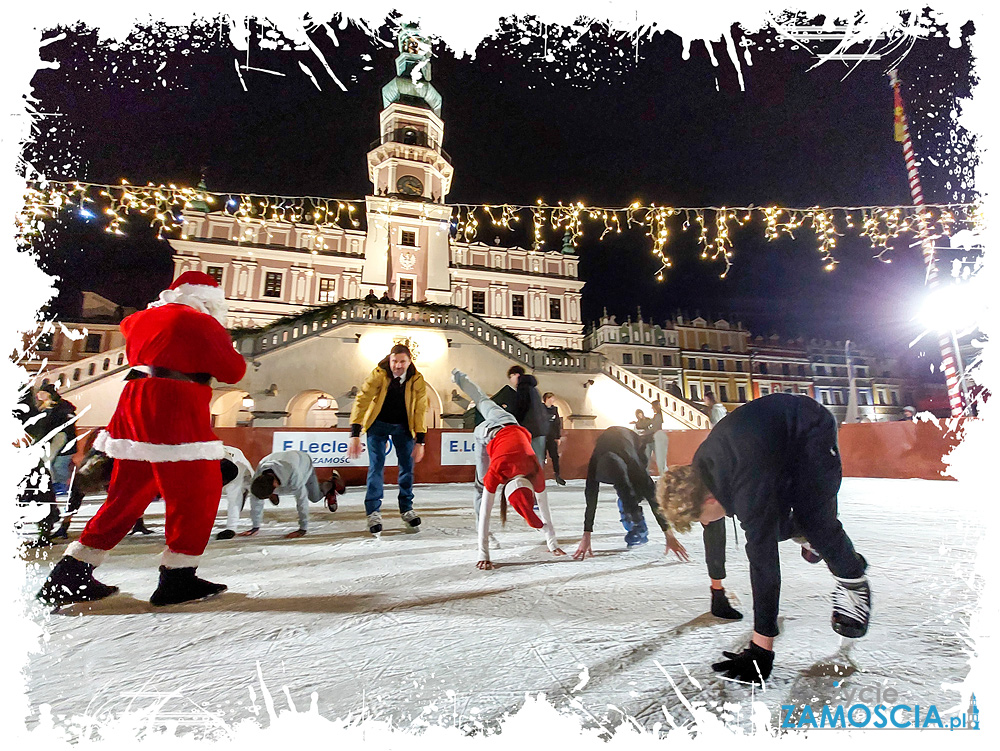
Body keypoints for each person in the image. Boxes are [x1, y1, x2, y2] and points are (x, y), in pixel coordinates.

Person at [37, 271, 247, 608]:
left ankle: (70, 574)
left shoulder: (141, 319)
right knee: (199, 492)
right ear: (210, 301)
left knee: (127, 495)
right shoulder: (202, 323)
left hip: (133, 405)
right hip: (175, 407)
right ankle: (178, 578)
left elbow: (128, 329)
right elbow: (233, 371)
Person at [657, 393, 870, 686]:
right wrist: (716, 585)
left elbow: (763, 564)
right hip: (774, 443)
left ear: (708, 498)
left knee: (816, 522)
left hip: (811, 427)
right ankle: (811, 539)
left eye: (700, 517)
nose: (705, 523)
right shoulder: (702, 471)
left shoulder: (745, 486)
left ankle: (853, 578)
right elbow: (730, 529)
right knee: (772, 524)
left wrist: (761, 647)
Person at [452, 370, 564, 568]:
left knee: (480, 398)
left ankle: (459, 377)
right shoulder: (500, 470)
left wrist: (551, 541)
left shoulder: (535, 471)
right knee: (481, 486)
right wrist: (483, 555)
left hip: (505, 420)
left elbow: (543, 512)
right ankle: (459, 378)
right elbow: (488, 513)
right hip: (485, 434)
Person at [572, 426, 689, 559]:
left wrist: (669, 534)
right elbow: (591, 500)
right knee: (624, 491)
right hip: (614, 449)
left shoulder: (635, 466)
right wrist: (586, 534)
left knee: (637, 491)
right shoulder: (595, 465)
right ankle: (631, 518)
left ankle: (639, 527)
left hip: (635, 446)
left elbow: (653, 498)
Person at [348, 344, 428, 535]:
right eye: (394, 361)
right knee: (376, 466)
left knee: (407, 468)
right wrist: (355, 434)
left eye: (402, 362)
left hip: (403, 426)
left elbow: (420, 409)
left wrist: (420, 441)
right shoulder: (379, 374)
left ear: (409, 362)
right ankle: (373, 511)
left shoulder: (417, 380)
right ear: (389, 360)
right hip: (378, 424)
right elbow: (363, 400)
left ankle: (407, 508)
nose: (397, 366)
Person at [240, 450, 341, 538]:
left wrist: (303, 528)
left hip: (303, 463)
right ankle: (273, 493)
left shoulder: (294, 475)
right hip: (281, 462)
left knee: (314, 497)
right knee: (261, 494)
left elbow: (302, 501)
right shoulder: (259, 475)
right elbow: (255, 500)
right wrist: (255, 526)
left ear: (275, 485)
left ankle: (331, 484)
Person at [34, 384, 79, 497]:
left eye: (42, 392)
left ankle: (62, 485)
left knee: (60, 465)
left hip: (63, 441)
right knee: (49, 464)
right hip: (49, 442)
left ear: (49, 394)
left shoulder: (63, 407)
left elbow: (68, 422)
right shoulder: (43, 408)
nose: (38, 394)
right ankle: (55, 484)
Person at [506, 365, 548, 468]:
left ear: (517, 375)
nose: (511, 380)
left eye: (511, 376)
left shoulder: (523, 389)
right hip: (539, 429)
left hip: (529, 430)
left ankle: (532, 482)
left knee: (529, 460)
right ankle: (537, 482)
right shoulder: (534, 389)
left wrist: (513, 421)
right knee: (537, 460)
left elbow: (521, 408)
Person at [214, 446, 254, 540]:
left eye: (224, 483)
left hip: (236, 466)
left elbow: (234, 501)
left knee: (234, 497)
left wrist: (231, 529)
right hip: (216, 461)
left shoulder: (238, 470)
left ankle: (231, 527)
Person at [541, 392, 566, 486]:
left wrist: (558, 437)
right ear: (547, 399)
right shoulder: (540, 408)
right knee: (541, 457)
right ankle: (539, 476)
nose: (553, 400)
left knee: (555, 456)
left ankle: (557, 475)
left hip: (552, 437)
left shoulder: (554, 409)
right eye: (552, 398)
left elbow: (557, 424)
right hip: (542, 437)